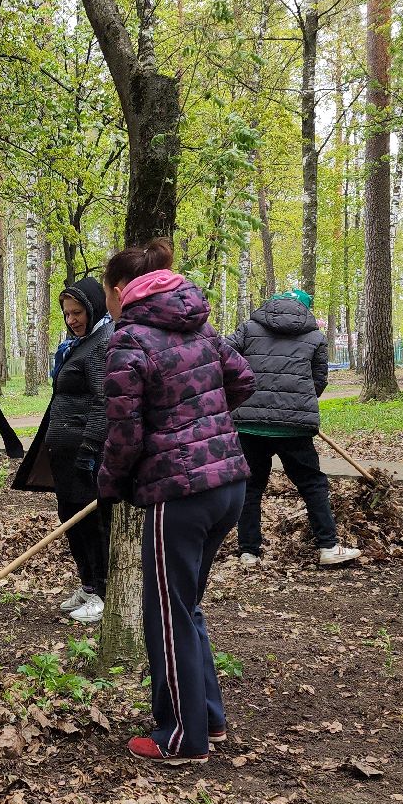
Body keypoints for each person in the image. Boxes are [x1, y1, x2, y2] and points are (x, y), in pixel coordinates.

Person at [97, 238, 254, 766]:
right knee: (182, 606)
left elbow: (124, 433)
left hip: (181, 494)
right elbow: (242, 379)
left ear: (121, 291)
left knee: (167, 613)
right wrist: (202, 425)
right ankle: (208, 716)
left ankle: (183, 738)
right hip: (227, 484)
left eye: (105, 292)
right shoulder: (198, 324)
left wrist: (110, 484)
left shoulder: (131, 340)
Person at [228, 291, 362, 568]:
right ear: (305, 308)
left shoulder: (249, 327)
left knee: (250, 487)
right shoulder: (314, 336)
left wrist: (239, 395)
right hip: (294, 427)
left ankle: (249, 552)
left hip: (249, 424)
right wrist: (296, 404)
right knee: (312, 485)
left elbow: (225, 357)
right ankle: (328, 546)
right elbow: (319, 381)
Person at [40, 278, 115, 624]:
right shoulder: (78, 344)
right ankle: (87, 585)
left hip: (84, 451)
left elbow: (103, 401)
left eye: (78, 312)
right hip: (64, 450)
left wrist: (90, 447)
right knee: (70, 519)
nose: (71, 319)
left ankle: (102, 591)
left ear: (94, 308)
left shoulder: (101, 344)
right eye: (67, 313)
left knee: (92, 522)